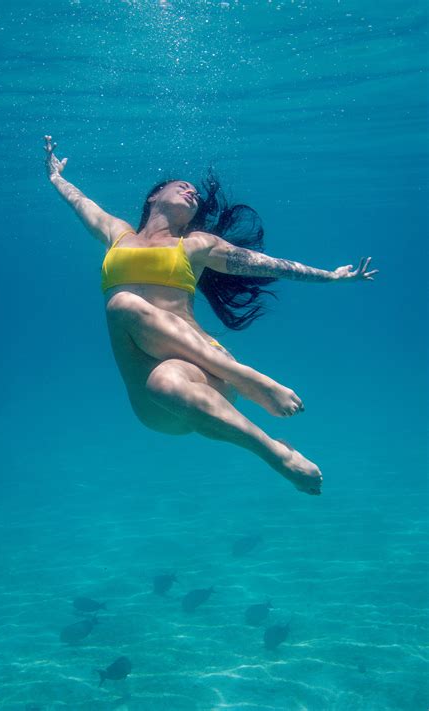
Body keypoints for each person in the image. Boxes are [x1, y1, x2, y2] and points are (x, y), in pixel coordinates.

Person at [44, 135, 377, 496]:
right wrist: (57, 178)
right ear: (154, 196)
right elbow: (82, 204)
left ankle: (275, 452)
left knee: (123, 307)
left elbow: (269, 266)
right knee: (130, 321)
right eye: (182, 186)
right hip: (151, 398)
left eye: (196, 194)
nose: (192, 192)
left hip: (206, 370)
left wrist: (329, 276)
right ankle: (254, 398)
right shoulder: (117, 234)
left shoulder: (196, 245)